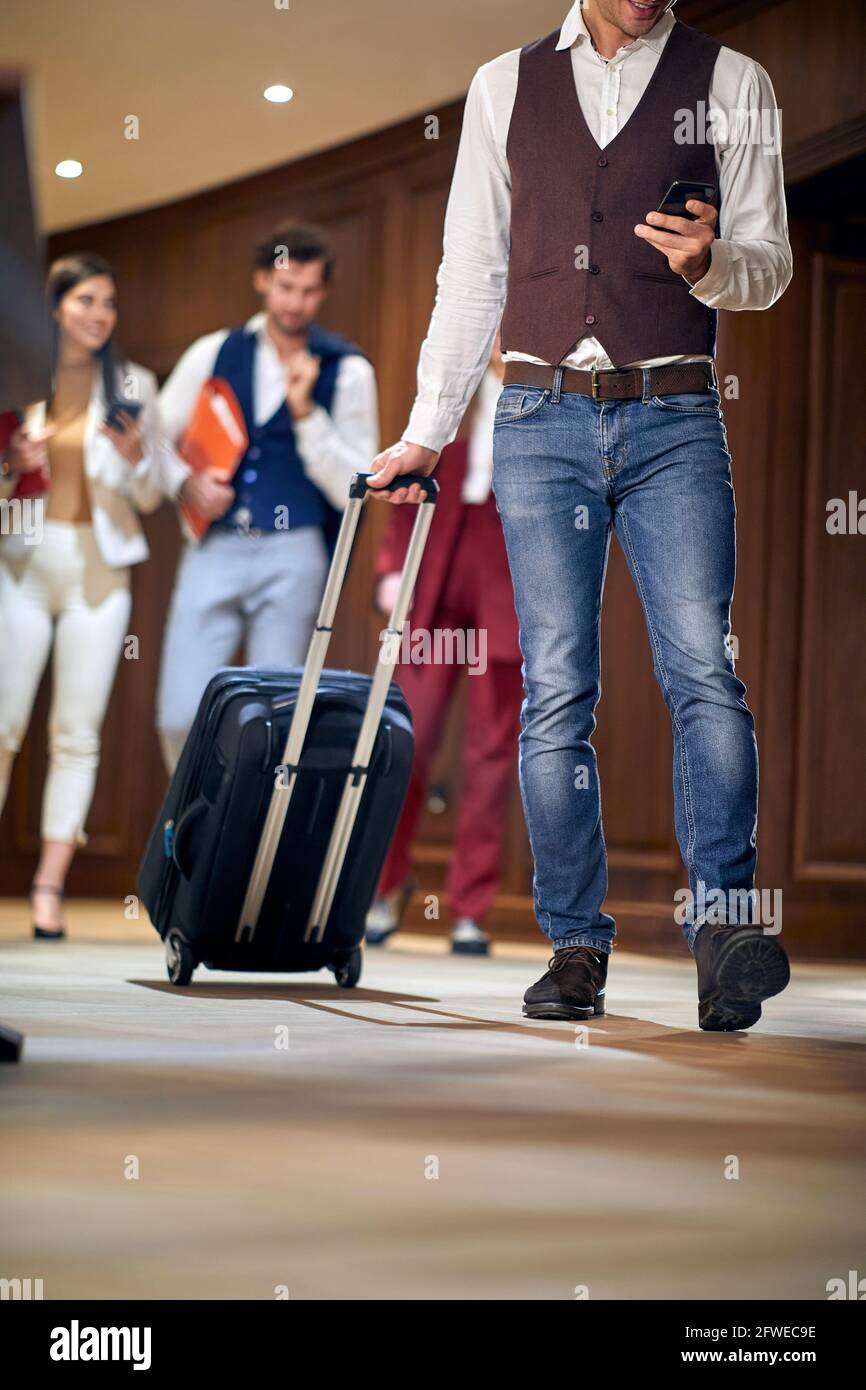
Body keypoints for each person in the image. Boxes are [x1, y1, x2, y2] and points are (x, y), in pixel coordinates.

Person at [365, 0, 793, 1031]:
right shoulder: (502, 87)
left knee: (701, 664)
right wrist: (427, 428)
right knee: (556, 682)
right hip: (535, 416)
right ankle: (572, 944)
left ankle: (726, 927)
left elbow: (768, 263)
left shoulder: (731, 80)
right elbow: (469, 270)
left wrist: (709, 263)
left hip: (675, 411)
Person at [0, 253, 188, 938]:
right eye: (85, 300)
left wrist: (141, 456)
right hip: (21, 560)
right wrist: (11, 464)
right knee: (3, 726)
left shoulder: (135, 383)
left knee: (76, 734)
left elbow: (150, 494)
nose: (99, 314)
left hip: (101, 574)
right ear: (55, 307)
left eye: (108, 302)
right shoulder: (18, 372)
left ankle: (49, 888)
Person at [155, 224, 379, 772]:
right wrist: (184, 483)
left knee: (272, 722)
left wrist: (306, 416)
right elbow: (153, 435)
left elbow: (356, 486)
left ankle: (254, 848)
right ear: (261, 280)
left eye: (307, 290)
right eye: (285, 287)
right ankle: (194, 835)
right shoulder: (213, 352)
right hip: (215, 547)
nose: (295, 302)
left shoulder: (348, 370)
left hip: (294, 553)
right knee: (179, 714)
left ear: (323, 292)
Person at [366, 332, 523, 955]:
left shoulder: (550, 398)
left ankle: (471, 908)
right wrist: (389, 567)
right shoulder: (448, 389)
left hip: (508, 572)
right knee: (407, 735)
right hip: (438, 565)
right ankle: (385, 886)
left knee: (490, 750)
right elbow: (409, 480)